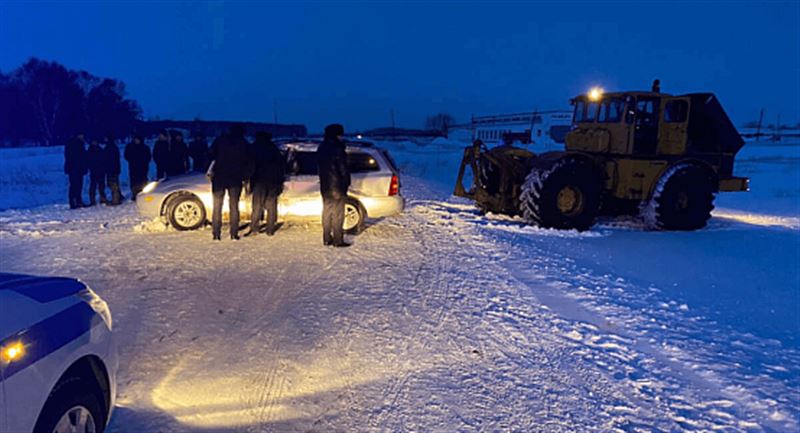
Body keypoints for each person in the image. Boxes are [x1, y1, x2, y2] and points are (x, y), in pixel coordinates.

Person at [209, 124, 253, 240]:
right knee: (234, 206)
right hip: (235, 179)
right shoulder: (244, 144)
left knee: (217, 206)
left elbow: (210, 156)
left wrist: (211, 171)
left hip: (219, 177)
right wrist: (245, 177)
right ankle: (234, 233)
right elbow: (250, 162)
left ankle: (216, 233)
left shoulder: (220, 140)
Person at [316, 123, 351, 247]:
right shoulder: (338, 148)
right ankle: (338, 240)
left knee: (326, 212)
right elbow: (343, 169)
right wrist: (346, 183)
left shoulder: (321, 147)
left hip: (325, 187)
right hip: (337, 187)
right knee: (338, 214)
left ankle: (326, 238)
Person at [245, 132, 285, 237]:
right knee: (271, 205)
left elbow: (249, 164)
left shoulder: (253, 148)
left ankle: (254, 227)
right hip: (273, 181)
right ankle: (270, 229)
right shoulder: (274, 148)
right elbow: (281, 165)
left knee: (257, 205)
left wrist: (247, 179)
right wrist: (280, 181)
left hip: (259, 180)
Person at [64, 132, 88, 209]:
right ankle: (76, 201)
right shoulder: (79, 144)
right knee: (76, 185)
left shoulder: (70, 143)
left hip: (72, 168)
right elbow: (81, 157)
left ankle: (75, 202)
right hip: (76, 168)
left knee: (74, 185)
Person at [124, 135, 151, 199]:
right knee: (134, 181)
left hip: (143, 167)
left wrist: (144, 162)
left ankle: (144, 193)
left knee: (143, 181)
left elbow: (148, 157)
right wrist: (132, 160)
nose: (137, 141)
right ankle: (135, 194)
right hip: (133, 167)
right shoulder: (130, 147)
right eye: (136, 139)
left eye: (138, 139)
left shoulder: (145, 147)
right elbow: (126, 156)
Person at [103, 135, 124, 205]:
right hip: (114, 169)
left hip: (111, 170)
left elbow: (110, 160)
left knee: (113, 185)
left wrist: (109, 169)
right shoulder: (114, 147)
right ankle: (118, 197)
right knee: (114, 184)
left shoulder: (109, 148)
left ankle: (116, 200)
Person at [86, 138, 108, 205]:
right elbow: (87, 161)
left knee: (101, 186)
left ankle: (102, 198)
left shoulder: (100, 150)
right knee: (93, 186)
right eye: (93, 142)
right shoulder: (89, 151)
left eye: (95, 142)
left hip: (101, 170)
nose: (94, 143)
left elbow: (104, 159)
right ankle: (92, 200)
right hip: (94, 171)